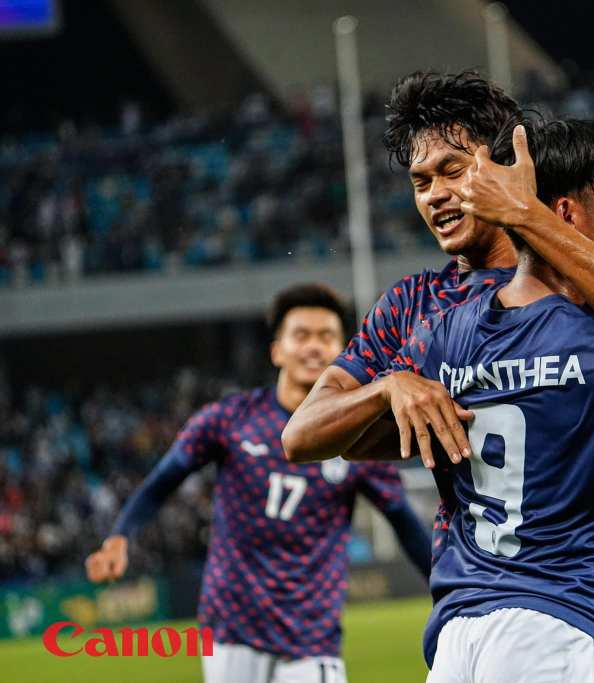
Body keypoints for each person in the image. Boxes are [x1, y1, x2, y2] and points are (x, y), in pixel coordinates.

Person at [282, 72, 594, 681]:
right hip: (500, 603)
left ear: (505, 166)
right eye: (422, 181)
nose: (437, 195)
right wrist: (389, 386)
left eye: (454, 170)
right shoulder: (414, 305)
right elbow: (303, 434)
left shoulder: (591, 269)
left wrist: (526, 216)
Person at [85, 283, 431, 683]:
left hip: (311, 635)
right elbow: (165, 479)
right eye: (301, 335)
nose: (314, 347)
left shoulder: (360, 440)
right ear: (276, 350)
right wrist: (121, 535)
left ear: (343, 351)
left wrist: (447, 590)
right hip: (232, 626)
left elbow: (405, 524)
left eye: (326, 337)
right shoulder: (228, 420)